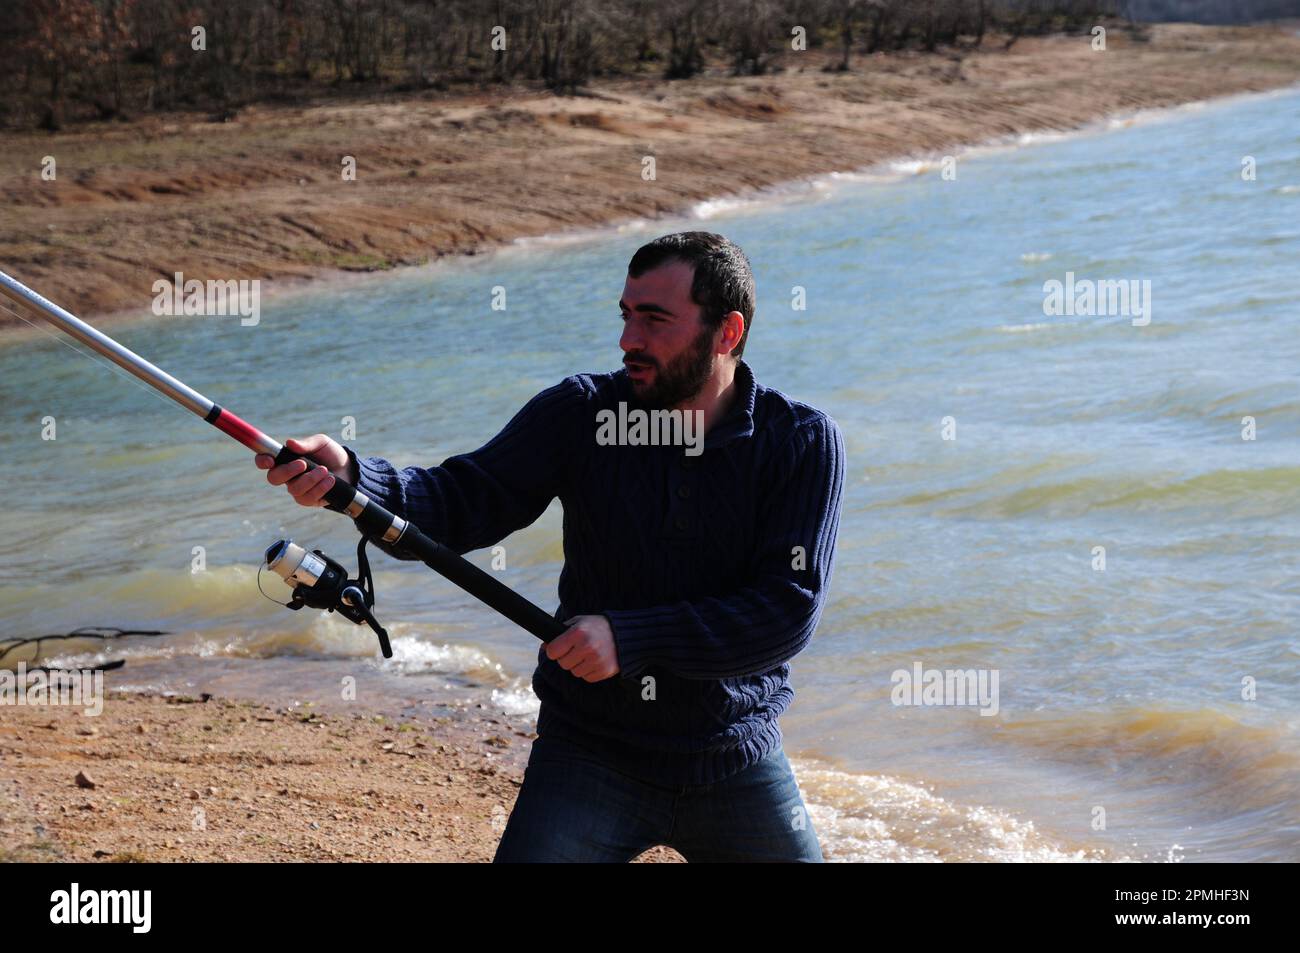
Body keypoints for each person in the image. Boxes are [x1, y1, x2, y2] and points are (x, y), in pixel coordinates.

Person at [256, 231, 846, 862]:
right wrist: (352, 477)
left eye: (654, 319)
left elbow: (784, 613)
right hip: (589, 753)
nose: (628, 340)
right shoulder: (581, 413)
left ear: (727, 332)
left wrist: (631, 636)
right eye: (626, 315)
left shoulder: (801, 443)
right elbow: (461, 501)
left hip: (735, 756)